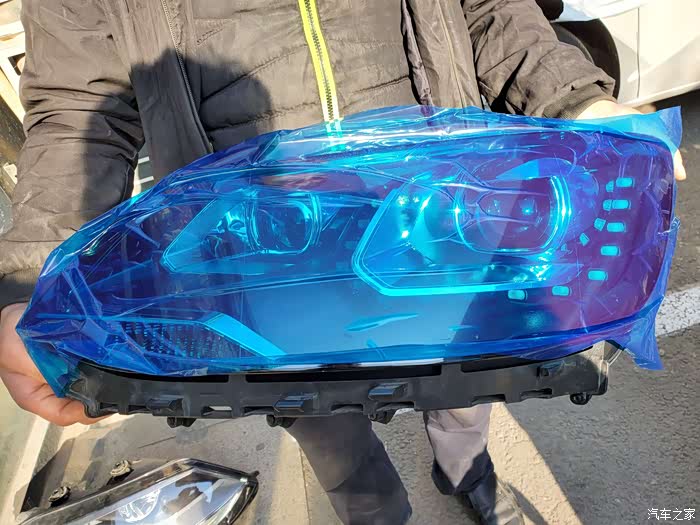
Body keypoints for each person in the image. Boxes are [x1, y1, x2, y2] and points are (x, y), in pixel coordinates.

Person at [0, 1, 685, 524]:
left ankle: (467, 475)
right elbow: (79, 105)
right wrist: (33, 280)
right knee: (329, 434)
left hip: (438, 223)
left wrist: (577, 100)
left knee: (464, 392)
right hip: (258, 261)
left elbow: (488, 9)